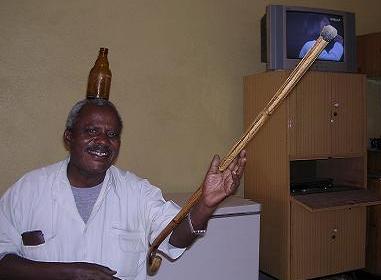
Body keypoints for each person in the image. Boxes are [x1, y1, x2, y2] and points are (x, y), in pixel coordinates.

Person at [0, 98, 246, 280]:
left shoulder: (137, 192)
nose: (103, 141)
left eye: (112, 134)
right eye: (92, 131)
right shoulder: (27, 191)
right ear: (68, 137)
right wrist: (72, 273)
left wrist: (205, 205)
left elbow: (174, 237)